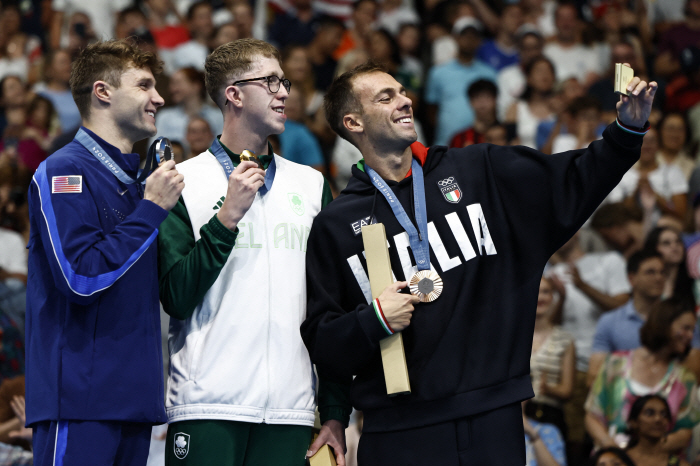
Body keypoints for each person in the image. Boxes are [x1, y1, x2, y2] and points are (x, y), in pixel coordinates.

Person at [300, 59, 656, 464]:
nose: (405, 101)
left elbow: (572, 181)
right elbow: (323, 341)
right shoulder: (337, 224)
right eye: (387, 97)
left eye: (402, 91)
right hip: (398, 431)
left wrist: (626, 132)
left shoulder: (479, 170)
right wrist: (374, 319)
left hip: (495, 417)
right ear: (353, 123)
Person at [157, 38, 348, 466]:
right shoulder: (181, 182)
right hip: (206, 405)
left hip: (292, 408)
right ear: (234, 94)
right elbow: (177, 296)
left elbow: (330, 305)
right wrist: (226, 218)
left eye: (285, 81)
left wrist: (334, 411)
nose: (285, 92)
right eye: (271, 81)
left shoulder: (311, 184)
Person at [25, 39, 184, 465]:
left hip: (136, 401)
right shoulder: (63, 171)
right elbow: (79, 277)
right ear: (103, 92)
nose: (159, 98)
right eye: (145, 85)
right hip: (80, 402)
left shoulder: (143, 181)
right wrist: (150, 210)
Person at [585, 300, 699, 452]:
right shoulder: (615, 364)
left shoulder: (685, 378)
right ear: (663, 324)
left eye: (692, 330)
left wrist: (643, 452)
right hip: (613, 457)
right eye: (685, 328)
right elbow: (593, 416)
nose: (690, 336)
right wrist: (614, 449)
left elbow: (685, 433)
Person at [587, 249, 666, 384]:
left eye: (662, 272)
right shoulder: (610, 322)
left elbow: (691, 371)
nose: (658, 278)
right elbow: (594, 376)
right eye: (650, 272)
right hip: (622, 398)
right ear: (631, 278)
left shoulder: (676, 319)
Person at [528, 277, 575, 439]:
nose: (540, 297)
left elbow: (567, 390)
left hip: (548, 415)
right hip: (514, 413)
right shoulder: (514, 336)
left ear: (553, 297)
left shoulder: (565, 339)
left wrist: (549, 389)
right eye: (536, 290)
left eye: (546, 292)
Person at [625, 395, 691, 466]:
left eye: (663, 414)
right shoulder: (620, 460)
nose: (658, 419)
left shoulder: (678, 464)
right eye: (649, 413)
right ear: (633, 422)